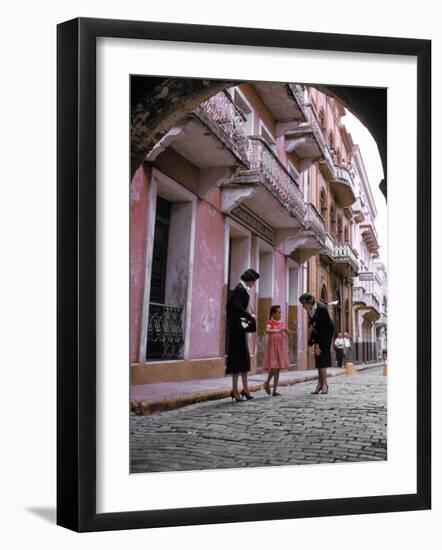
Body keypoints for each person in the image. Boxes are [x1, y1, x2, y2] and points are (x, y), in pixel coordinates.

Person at [226, 268, 260, 401]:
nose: (254, 284)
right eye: (254, 281)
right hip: (236, 330)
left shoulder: (241, 288)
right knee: (236, 359)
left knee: (244, 359)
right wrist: (250, 315)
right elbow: (235, 307)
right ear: (250, 280)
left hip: (239, 329)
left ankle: (245, 389)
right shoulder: (240, 289)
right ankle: (235, 390)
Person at [299, 292, 335, 394]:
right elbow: (314, 324)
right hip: (318, 333)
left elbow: (323, 328)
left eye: (303, 304)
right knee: (318, 358)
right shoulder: (310, 309)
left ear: (309, 302)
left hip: (326, 333)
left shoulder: (321, 308)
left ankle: (325, 384)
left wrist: (318, 344)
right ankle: (319, 384)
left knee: (322, 358)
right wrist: (314, 342)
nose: (302, 306)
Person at [262, 305, 291, 396]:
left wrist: (287, 331)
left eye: (280, 312)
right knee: (274, 367)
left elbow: (288, 333)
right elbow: (267, 330)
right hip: (273, 347)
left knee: (277, 369)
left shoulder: (282, 323)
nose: (280, 314)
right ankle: (267, 382)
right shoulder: (270, 322)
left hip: (280, 347)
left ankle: (274, 390)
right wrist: (278, 330)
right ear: (273, 313)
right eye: (278, 312)